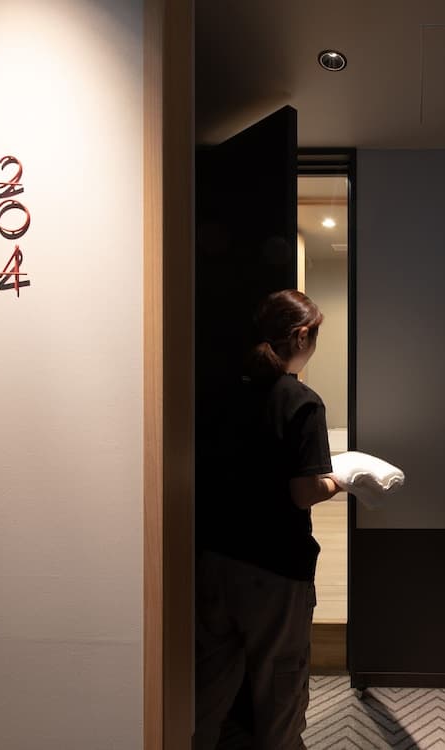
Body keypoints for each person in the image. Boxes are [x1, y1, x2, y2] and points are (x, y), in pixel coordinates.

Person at [194, 289, 341, 750]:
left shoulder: (219, 394)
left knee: (209, 682)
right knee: (280, 684)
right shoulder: (302, 402)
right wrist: (339, 482)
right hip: (275, 571)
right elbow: (303, 492)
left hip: (215, 559)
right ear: (301, 336)